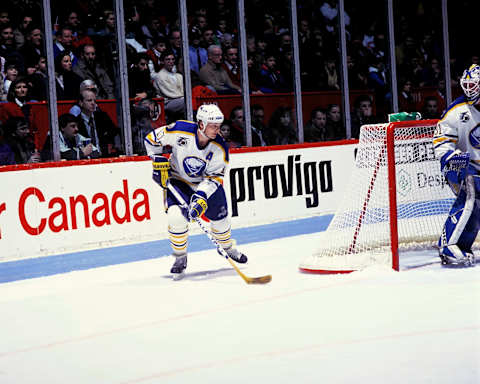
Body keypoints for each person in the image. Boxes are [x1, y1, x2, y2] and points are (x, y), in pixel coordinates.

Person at [144, 104, 247, 278]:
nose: (217, 130)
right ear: (201, 124)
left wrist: (201, 196)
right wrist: (157, 160)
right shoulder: (179, 130)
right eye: (213, 126)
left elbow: (215, 178)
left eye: (219, 126)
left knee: (221, 221)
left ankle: (228, 247)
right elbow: (151, 139)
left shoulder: (220, 147)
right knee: (176, 217)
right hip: (179, 181)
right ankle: (180, 257)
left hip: (205, 185)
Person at [432, 64, 480, 267]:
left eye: (474, 85)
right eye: (468, 84)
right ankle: (447, 245)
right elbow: (440, 141)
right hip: (460, 166)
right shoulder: (456, 111)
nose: (470, 89)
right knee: (473, 191)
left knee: (478, 205)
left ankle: (463, 245)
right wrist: (451, 156)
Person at [152, 51, 185, 122]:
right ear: (162, 62)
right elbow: (169, 93)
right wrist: (183, 97)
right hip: (167, 102)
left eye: (173, 59)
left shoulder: (179, 76)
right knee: (187, 102)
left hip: (179, 99)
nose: (171, 61)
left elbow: (183, 90)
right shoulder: (159, 76)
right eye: (168, 59)